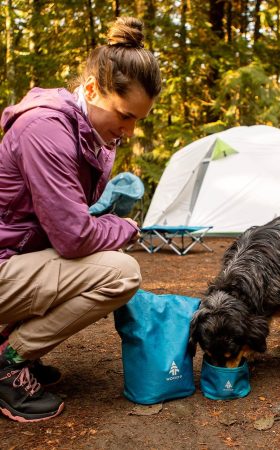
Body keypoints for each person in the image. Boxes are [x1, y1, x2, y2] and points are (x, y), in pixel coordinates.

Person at [0, 16, 161, 422]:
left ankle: (17, 350)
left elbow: (64, 221)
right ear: (90, 90)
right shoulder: (45, 128)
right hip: (6, 259)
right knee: (120, 273)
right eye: (124, 115)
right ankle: (7, 362)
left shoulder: (89, 132)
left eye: (136, 121)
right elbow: (72, 237)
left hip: (14, 256)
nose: (127, 130)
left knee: (95, 263)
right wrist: (125, 227)